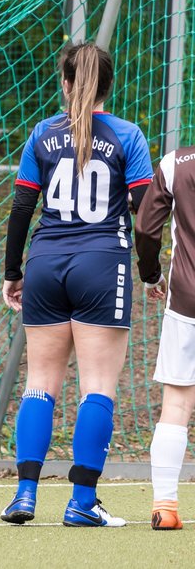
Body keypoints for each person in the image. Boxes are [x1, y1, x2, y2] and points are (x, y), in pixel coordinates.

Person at [0, 42, 151, 528]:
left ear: (66, 84)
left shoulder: (42, 134)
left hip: (44, 264)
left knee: (39, 383)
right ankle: (82, 502)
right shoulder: (127, 135)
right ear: (109, 85)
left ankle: (25, 495)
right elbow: (147, 216)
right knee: (97, 388)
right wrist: (151, 271)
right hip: (103, 267)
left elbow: (23, 208)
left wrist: (13, 272)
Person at [134, 144, 195, 530]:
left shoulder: (177, 162)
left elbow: (145, 227)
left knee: (175, 404)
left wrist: (151, 274)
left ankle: (165, 507)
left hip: (187, 299)